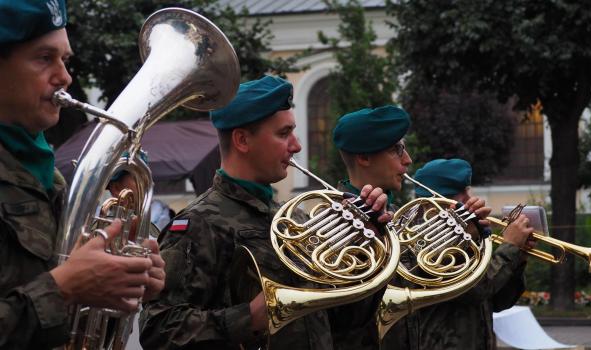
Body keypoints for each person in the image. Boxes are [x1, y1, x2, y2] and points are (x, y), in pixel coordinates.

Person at [139, 75, 392, 349]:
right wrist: (248, 318)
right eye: (283, 134)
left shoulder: (294, 218)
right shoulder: (198, 223)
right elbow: (158, 328)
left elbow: (342, 322)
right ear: (242, 140)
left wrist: (368, 244)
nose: (296, 146)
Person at [0, 1, 165, 348]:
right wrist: (63, 288)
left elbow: (68, 328)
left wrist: (114, 287)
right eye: (44, 58)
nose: (65, 77)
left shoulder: (50, 178)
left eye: (65, 60)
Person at [331, 107, 492, 350]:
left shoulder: (400, 218)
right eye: (396, 150)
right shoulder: (329, 219)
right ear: (364, 157)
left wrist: (468, 239)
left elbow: (444, 284)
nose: (408, 160)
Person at [413, 159, 534, 350]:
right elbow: (476, 290)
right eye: (459, 195)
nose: (470, 199)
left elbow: (498, 301)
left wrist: (520, 256)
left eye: (468, 190)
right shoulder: (421, 243)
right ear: (433, 202)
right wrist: (510, 246)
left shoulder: (468, 235)